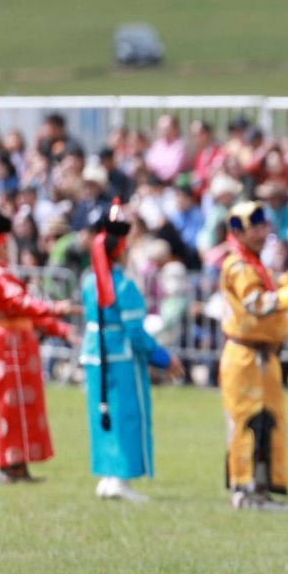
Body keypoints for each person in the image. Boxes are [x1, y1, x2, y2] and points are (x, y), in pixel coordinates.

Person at [219, 201, 288, 511]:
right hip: (245, 357)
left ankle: (260, 491)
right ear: (238, 232)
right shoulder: (238, 266)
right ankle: (245, 490)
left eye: (265, 226)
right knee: (248, 422)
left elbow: (274, 287)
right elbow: (257, 303)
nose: (263, 232)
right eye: (255, 227)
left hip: (262, 358)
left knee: (268, 423)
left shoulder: (252, 263)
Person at [80, 203, 183, 501]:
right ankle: (121, 478)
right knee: (125, 415)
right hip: (121, 358)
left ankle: (108, 475)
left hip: (95, 356)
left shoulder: (89, 282)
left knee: (103, 414)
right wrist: (163, 358)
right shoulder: (124, 285)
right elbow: (136, 334)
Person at [0, 208, 76, 484]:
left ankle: (18, 466)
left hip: (17, 345)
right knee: (12, 406)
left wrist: (61, 328)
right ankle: (9, 465)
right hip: (8, 348)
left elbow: (27, 313)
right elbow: (24, 304)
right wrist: (57, 309)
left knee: (22, 407)